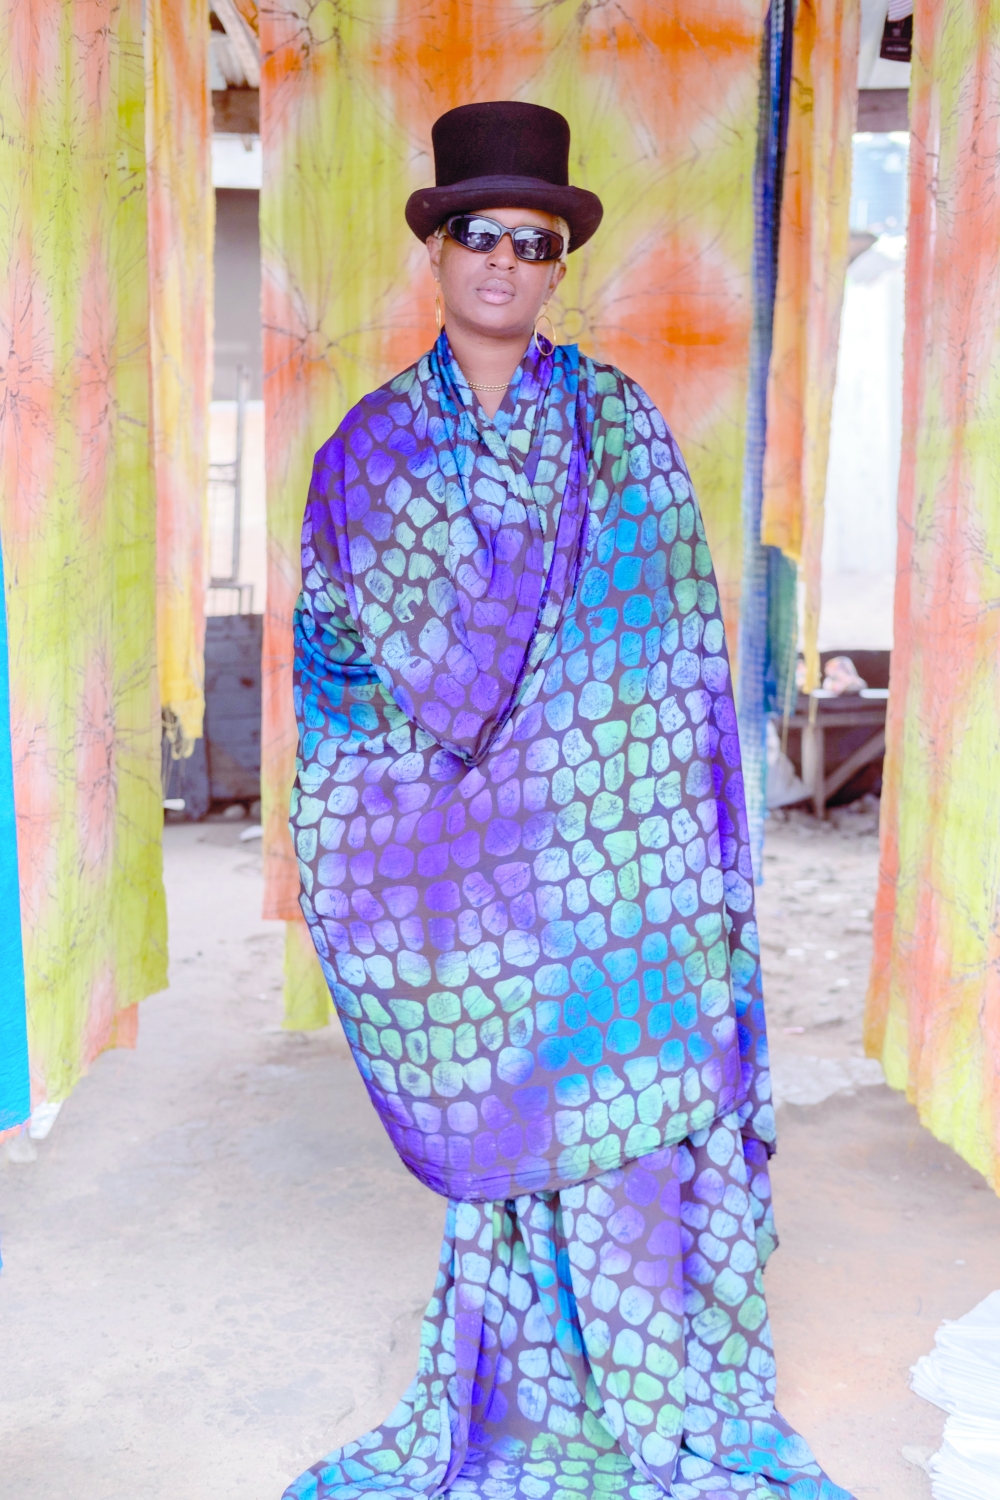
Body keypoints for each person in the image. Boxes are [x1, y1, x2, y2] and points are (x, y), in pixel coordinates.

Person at [284, 101, 850, 1500]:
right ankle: (525, 1383)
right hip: (463, 874)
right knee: (519, 1105)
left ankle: (655, 1385)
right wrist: (537, 777)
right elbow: (431, 682)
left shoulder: (621, 430)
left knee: (634, 1092)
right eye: (478, 232)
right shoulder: (372, 454)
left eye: (533, 242)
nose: (504, 260)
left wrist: (625, 824)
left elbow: (670, 649)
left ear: (554, 268)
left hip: (612, 871)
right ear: (437, 252)